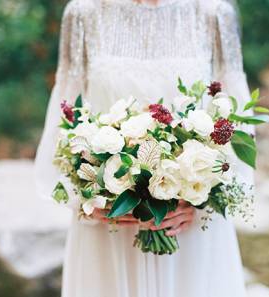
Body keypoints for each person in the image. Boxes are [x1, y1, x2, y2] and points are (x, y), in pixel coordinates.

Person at [35, 0, 254, 296]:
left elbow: (235, 118)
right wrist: (82, 200)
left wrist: (204, 203)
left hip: (187, 221)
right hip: (110, 221)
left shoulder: (213, 13)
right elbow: (65, 116)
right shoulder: (84, 13)